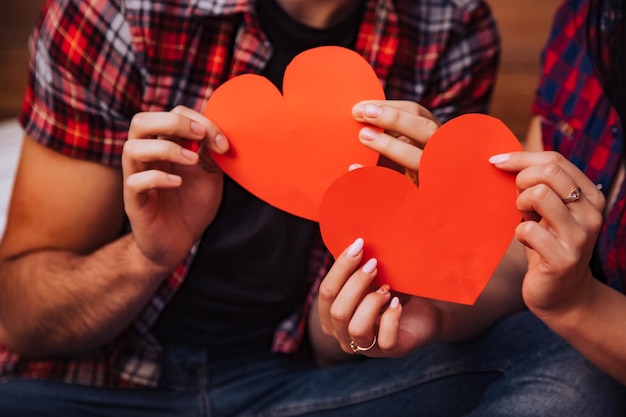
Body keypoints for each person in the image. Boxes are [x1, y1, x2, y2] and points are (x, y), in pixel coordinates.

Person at [0, 0, 505, 415]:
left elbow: (349, 343)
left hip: (302, 387)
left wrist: (376, 288)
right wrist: (145, 257)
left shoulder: (451, 26)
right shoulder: (119, 12)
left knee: (537, 358)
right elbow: (20, 319)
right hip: (96, 384)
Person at [318, 0, 626, 414]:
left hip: (572, 358)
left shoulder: (453, 25)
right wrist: (436, 304)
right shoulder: (592, 20)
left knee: (576, 375)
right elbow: (523, 252)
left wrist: (579, 304)